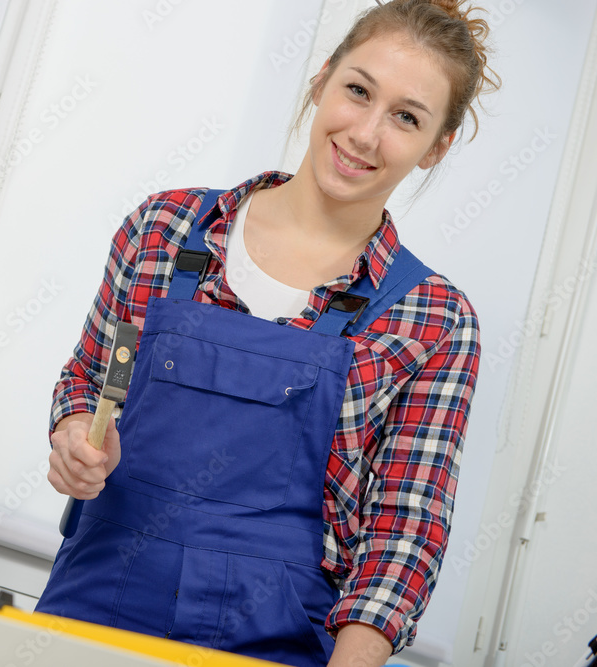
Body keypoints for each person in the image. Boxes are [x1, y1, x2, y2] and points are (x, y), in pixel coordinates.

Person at [34, 1, 500, 665]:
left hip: (272, 646)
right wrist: (75, 435)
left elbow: (403, 536)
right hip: (90, 617)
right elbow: (90, 380)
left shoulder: (432, 321)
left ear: (437, 146)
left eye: (406, 117)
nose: (366, 134)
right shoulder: (163, 230)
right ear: (322, 79)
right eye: (358, 90)